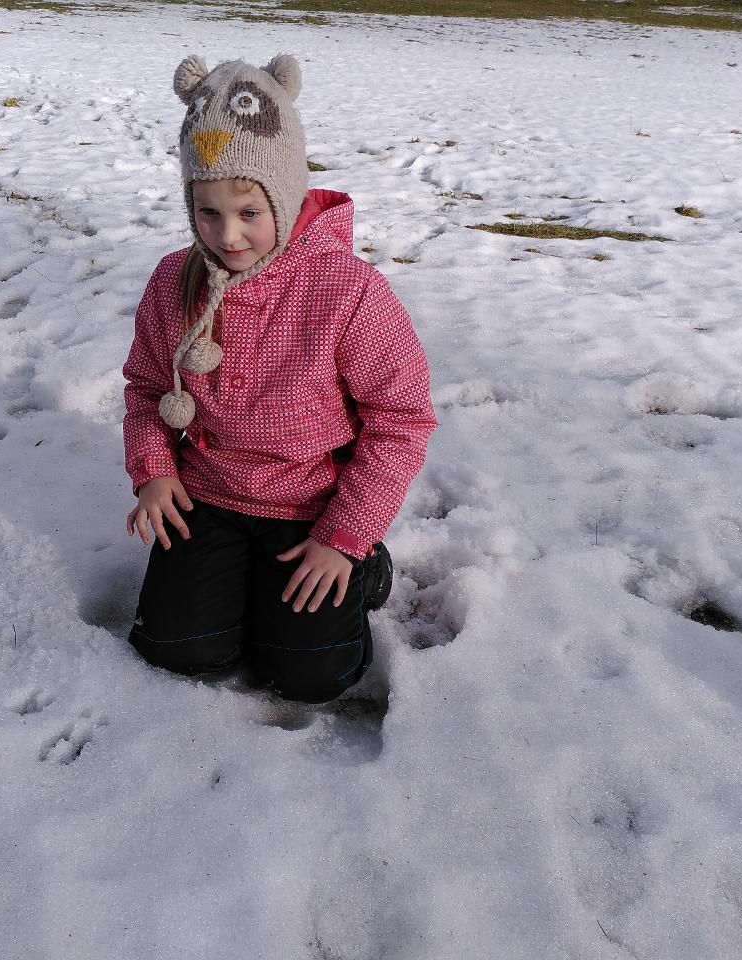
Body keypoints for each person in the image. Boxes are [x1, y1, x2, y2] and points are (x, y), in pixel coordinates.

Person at [121, 52, 436, 704]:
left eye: (249, 212)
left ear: (285, 198)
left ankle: (367, 570)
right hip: (209, 494)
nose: (227, 235)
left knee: (309, 676)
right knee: (178, 648)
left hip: (312, 506)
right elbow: (148, 389)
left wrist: (345, 537)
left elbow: (400, 421)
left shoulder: (347, 291)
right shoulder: (174, 281)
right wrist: (154, 469)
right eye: (207, 212)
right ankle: (230, 585)